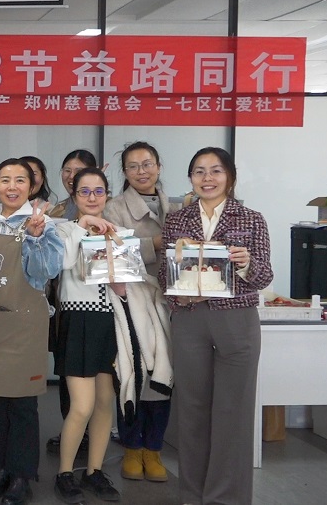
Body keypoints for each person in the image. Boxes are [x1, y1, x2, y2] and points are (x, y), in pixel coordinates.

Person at [159, 147, 272, 505]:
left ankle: (226, 498)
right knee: (192, 410)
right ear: (190, 178)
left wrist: (246, 262)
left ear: (230, 177)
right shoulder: (177, 220)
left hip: (236, 320)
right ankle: (193, 495)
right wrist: (178, 288)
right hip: (190, 318)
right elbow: (163, 275)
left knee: (234, 412)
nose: (207, 178)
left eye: (216, 170)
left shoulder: (251, 219)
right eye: (199, 171)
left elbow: (264, 277)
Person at [0, 159, 63, 505]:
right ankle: (1, 470)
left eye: (20, 180)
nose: (12, 186)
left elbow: (46, 273)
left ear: (31, 187)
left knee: (22, 405)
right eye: (5, 180)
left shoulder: (43, 224)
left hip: (24, 325)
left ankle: (22, 476)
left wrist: (35, 239)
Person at [103, 141, 177, 482]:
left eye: (147, 164)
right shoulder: (114, 208)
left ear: (159, 166)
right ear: (125, 173)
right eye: (133, 166)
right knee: (133, 373)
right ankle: (132, 447)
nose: (141, 171)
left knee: (164, 373)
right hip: (131, 300)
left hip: (170, 300)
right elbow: (111, 253)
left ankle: (154, 449)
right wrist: (155, 244)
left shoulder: (176, 206)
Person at [52, 167, 123, 503]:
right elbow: (62, 263)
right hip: (78, 318)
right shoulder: (63, 229)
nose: (92, 197)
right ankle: (65, 473)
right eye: (85, 191)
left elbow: (126, 283)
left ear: (107, 194)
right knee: (82, 406)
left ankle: (94, 471)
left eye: (99, 191)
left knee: (105, 404)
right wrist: (83, 226)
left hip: (110, 321)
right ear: (74, 195)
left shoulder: (120, 232)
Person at [48, 150, 98, 220]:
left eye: (79, 171)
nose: (71, 176)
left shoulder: (108, 206)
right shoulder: (59, 208)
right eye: (67, 171)